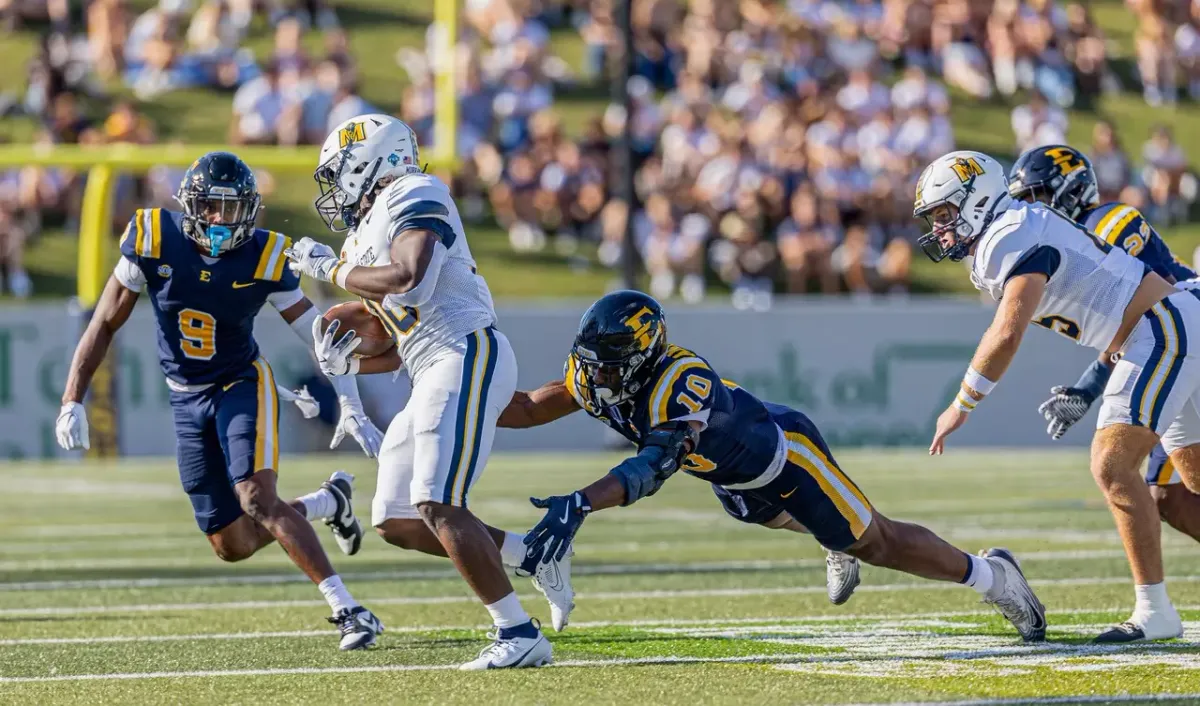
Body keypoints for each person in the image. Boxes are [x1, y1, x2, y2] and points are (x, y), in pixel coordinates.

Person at [495, 289, 1046, 643]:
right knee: (766, 515)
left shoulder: (679, 380)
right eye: (592, 367)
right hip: (730, 476)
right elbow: (526, 408)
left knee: (876, 542)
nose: (595, 381)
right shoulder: (599, 375)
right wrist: (458, 402)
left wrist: (582, 501)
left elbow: (654, 465)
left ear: (642, 358)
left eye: (609, 370)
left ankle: (993, 576)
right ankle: (829, 539)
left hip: (785, 457)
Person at [54, 151, 385, 651]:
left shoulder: (266, 256)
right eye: (211, 207)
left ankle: (348, 609)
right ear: (190, 205)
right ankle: (327, 502)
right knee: (232, 545)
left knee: (256, 498)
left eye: (232, 210)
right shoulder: (152, 237)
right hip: (185, 398)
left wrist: (350, 401)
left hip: (240, 383)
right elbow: (103, 322)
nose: (220, 220)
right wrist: (72, 397)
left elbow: (322, 339)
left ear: (249, 211)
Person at [284, 114, 569, 670]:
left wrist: (334, 270)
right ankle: (530, 552)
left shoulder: (415, 190)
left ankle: (517, 631)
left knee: (438, 500)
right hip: (430, 363)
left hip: (466, 350)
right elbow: (396, 340)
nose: (336, 186)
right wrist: (347, 357)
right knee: (396, 519)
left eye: (341, 172)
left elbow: (412, 277)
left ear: (375, 163)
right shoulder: (367, 231)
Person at [916, 149, 1199, 643]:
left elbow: (1007, 331)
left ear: (977, 200)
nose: (940, 228)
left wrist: (962, 404)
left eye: (945, 214)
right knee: (1190, 479)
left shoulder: (1010, 233)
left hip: (1161, 329)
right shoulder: (1009, 230)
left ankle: (1155, 612)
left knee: (1112, 465)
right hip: (1159, 331)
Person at [1007, 144, 1200, 544]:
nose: (1031, 211)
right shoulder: (1061, 248)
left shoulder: (1108, 221)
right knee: (1171, 495)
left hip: (1186, 331)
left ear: (1070, 189)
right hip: (1173, 344)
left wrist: (1090, 385)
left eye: (1037, 197)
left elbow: (1145, 313)